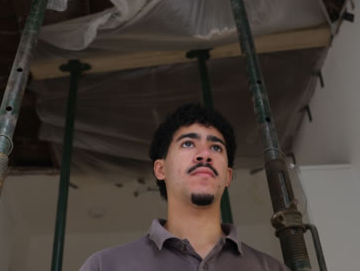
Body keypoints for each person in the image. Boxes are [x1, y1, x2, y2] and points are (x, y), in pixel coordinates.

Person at [80, 103, 289, 271]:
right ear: (161, 169)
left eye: (216, 147)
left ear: (228, 176)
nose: (205, 154)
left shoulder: (271, 268)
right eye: (188, 143)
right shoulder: (105, 266)